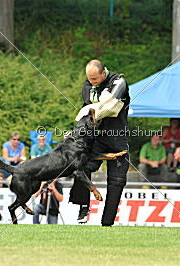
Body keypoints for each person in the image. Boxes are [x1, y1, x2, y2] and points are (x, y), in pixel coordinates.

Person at [69, 59, 130, 226]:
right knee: (81, 166)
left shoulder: (118, 81)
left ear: (104, 73)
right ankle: (83, 206)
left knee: (116, 182)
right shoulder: (88, 85)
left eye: (95, 79)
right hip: (96, 138)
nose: (91, 82)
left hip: (117, 137)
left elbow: (109, 102)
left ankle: (107, 223)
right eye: (89, 78)